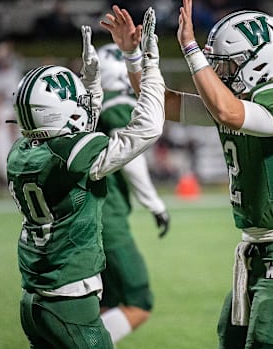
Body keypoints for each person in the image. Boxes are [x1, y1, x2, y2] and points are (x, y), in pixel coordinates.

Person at [101, 0, 273, 349]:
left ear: (258, 61)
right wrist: (132, 55)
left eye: (228, 63)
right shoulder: (236, 101)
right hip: (253, 251)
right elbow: (163, 104)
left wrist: (190, 48)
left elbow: (228, 113)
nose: (220, 71)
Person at [8, 18, 165, 349]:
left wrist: (90, 85)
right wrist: (149, 66)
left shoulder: (21, 153)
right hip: (69, 300)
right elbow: (148, 128)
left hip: (35, 299)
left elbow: (76, 134)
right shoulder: (73, 156)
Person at [94, 41, 171, 344]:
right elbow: (131, 160)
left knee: (104, 302)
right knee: (138, 300)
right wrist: (155, 204)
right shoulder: (116, 105)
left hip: (85, 213)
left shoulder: (88, 108)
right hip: (107, 216)